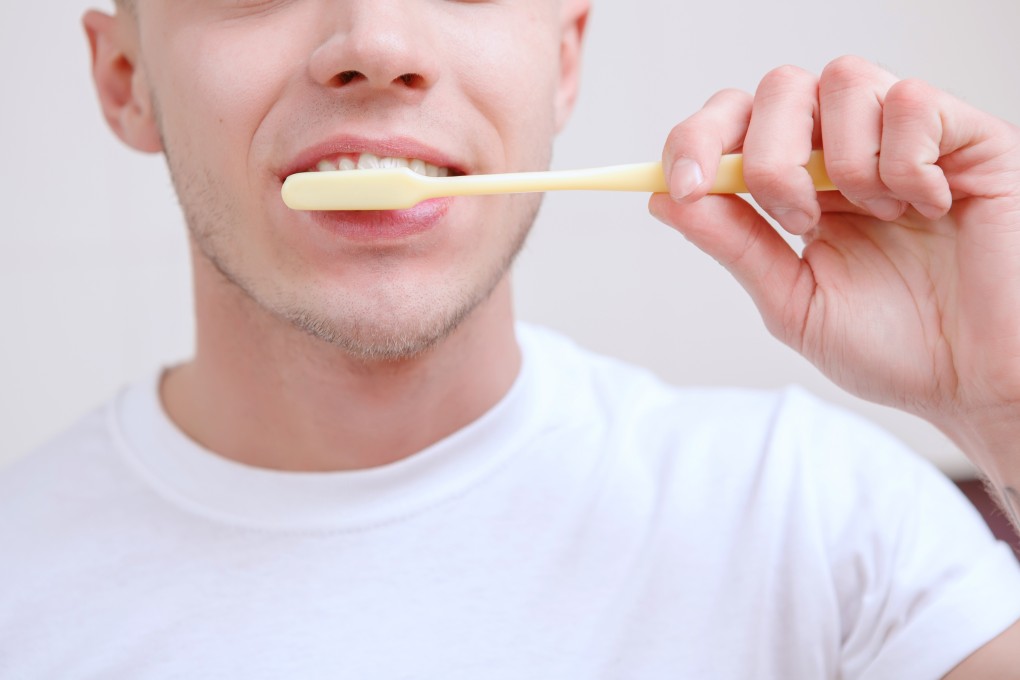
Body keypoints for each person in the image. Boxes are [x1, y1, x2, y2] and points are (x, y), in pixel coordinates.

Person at [1, 0, 1019, 676]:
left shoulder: (817, 513)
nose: (377, 44)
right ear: (126, 77)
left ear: (565, 58)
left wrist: (1007, 404)